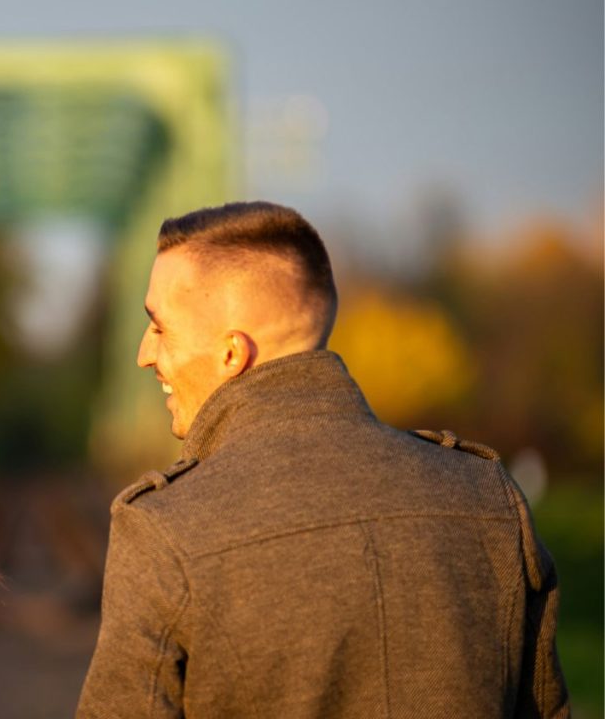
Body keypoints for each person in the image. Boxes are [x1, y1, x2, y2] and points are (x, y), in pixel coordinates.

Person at [78, 202, 569, 718]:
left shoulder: (164, 531)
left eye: (158, 327)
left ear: (231, 353)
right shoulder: (487, 498)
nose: (143, 353)